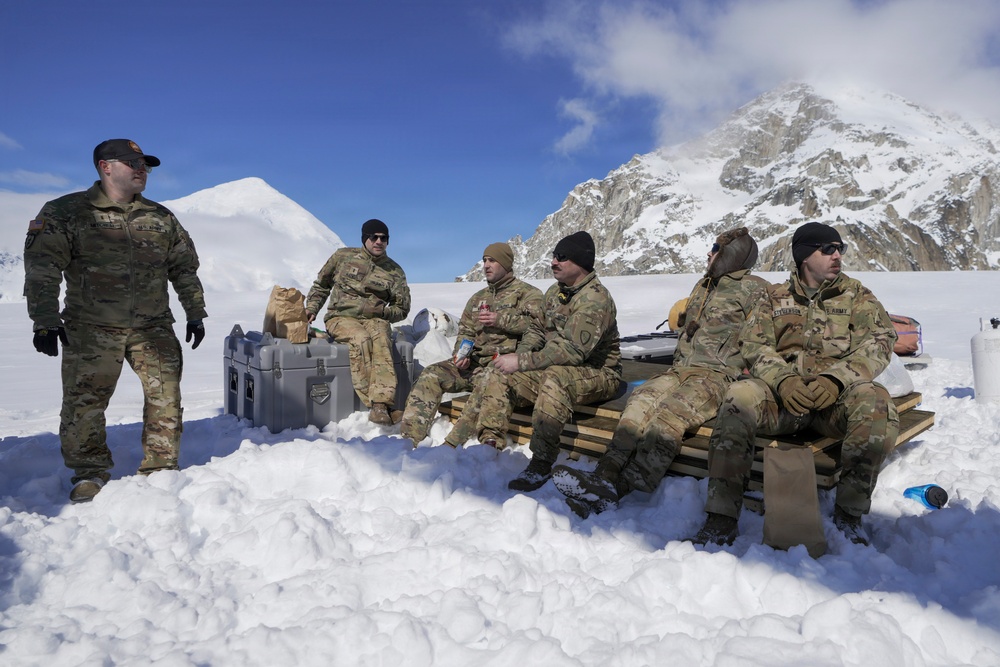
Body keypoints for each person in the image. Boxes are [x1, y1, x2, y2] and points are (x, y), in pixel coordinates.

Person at [23, 139, 208, 503]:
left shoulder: (160, 217)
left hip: (152, 327)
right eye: (132, 163)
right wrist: (43, 318)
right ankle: (89, 473)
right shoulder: (67, 212)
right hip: (91, 327)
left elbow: (184, 268)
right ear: (105, 166)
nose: (142, 170)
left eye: (145, 165)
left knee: (165, 397)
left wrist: (195, 312)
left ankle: (160, 469)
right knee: (85, 403)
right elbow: (43, 268)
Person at [693, 222, 899, 547]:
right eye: (827, 249)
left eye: (839, 248)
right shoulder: (774, 297)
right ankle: (721, 517)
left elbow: (880, 341)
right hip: (782, 402)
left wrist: (837, 379)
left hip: (834, 402)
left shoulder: (856, 294)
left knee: (875, 401)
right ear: (804, 256)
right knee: (739, 396)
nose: (837, 255)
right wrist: (783, 380)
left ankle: (850, 515)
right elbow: (753, 343)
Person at [551, 228, 769, 517]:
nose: (709, 253)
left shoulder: (755, 289)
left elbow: (760, 340)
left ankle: (624, 487)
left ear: (731, 254)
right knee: (638, 403)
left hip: (716, 376)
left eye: (715, 248)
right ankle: (603, 476)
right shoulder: (704, 286)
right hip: (680, 370)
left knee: (669, 416)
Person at [451, 231, 622, 491]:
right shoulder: (556, 292)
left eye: (561, 257)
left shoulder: (595, 299)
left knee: (555, 378)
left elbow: (573, 352)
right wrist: (517, 356)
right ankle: (490, 443)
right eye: (553, 256)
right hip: (557, 367)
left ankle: (541, 462)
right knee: (498, 372)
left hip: (597, 373)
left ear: (581, 263)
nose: (553, 262)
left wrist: (523, 361)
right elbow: (537, 329)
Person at [400, 242, 544, 445]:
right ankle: (409, 437)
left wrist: (500, 319)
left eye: (492, 260)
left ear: (505, 263)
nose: (486, 265)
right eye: (484, 260)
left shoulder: (529, 295)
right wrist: (462, 354)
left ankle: (452, 444)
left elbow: (538, 329)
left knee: (488, 379)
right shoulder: (478, 299)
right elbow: (466, 331)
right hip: (474, 366)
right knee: (433, 373)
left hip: (505, 370)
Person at [305, 219, 411, 425]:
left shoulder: (394, 272)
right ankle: (377, 404)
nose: (379, 241)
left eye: (384, 238)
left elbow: (402, 308)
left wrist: (382, 312)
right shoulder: (342, 257)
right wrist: (311, 309)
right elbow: (322, 285)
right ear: (365, 238)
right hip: (340, 317)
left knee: (382, 340)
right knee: (361, 339)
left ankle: (381, 405)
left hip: (375, 319)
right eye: (374, 237)